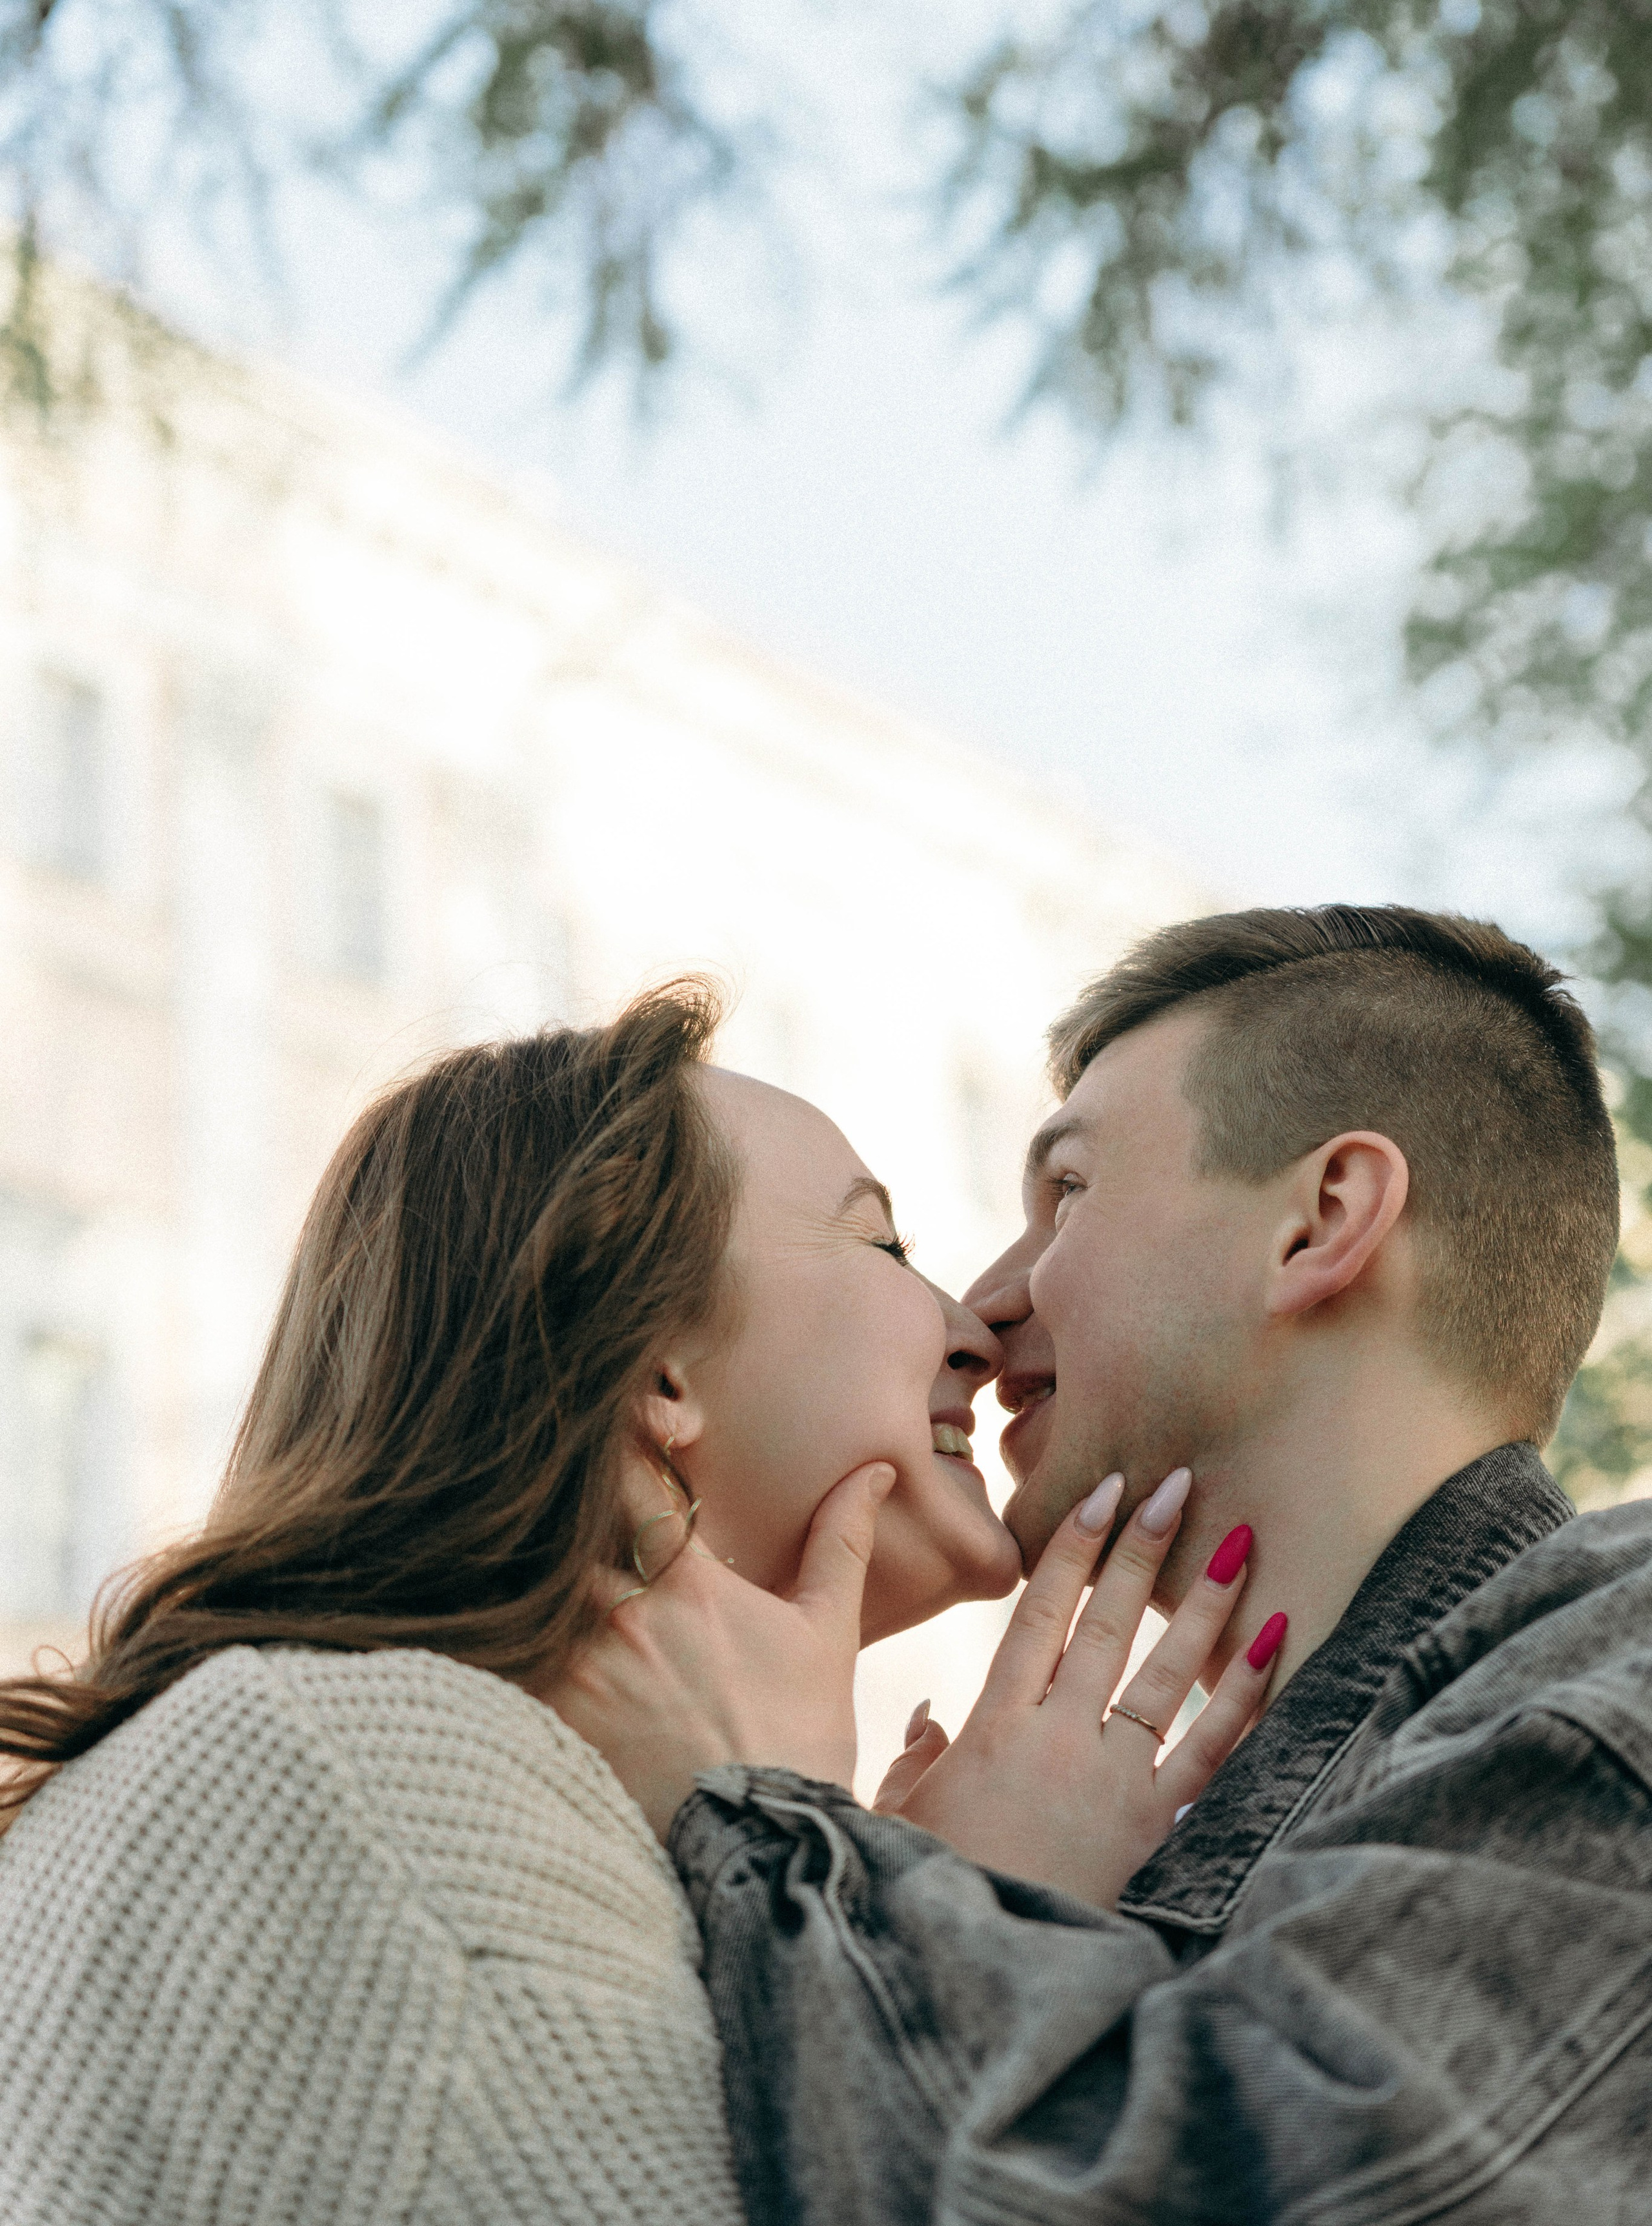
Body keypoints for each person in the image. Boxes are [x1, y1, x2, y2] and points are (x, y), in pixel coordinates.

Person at [0, 979, 1265, 2225]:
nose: (973, 1330)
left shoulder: (412, 1763)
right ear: (657, 1361)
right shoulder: (381, 1782)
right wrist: (954, 1938)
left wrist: (863, 1894)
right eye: (882, 1243)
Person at [559, 906, 1652, 2223]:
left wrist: (794, 1840)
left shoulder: (1620, 1673)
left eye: (1066, 1193)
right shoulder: (1146, 1828)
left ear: (1320, 1221)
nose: (985, 1300)